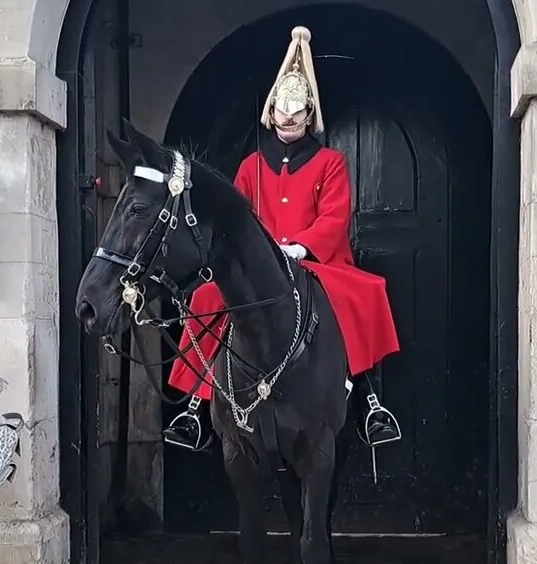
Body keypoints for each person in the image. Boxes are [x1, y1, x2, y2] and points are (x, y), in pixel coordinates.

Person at [164, 25, 402, 452]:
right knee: (205, 300)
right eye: (282, 110)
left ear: (308, 115)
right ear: (271, 113)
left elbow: (334, 216)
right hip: (260, 267)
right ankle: (195, 408)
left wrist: (300, 246)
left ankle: (368, 400)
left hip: (315, 261)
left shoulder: (330, 162)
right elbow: (237, 219)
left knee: (356, 297)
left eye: (297, 111)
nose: (289, 118)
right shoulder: (251, 165)